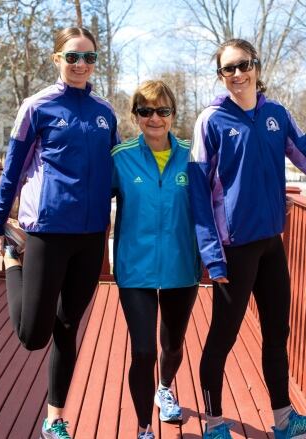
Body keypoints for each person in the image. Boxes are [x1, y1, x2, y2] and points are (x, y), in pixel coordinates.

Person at [187, 39, 306, 439]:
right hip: (233, 250)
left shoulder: (277, 114)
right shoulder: (211, 120)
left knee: (277, 334)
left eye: (244, 65)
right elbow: (198, 195)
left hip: (272, 244)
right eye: (228, 69)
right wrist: (212, 256)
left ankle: (285, 421)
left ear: (256, 66)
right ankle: (215, 425)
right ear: (220, 75)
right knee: (223, 336)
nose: (238, 74)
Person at [0, 26, 120, 439]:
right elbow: (13, 166)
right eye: (73, 57)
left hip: (92, 233)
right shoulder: (37, 107)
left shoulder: (106, 112)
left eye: (89, 58)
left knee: (68, 326)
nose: (81, 65)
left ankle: (56, 419)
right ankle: (14, 261)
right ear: (57, 59)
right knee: (33, 336)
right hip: (47, 229)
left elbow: (116, 170)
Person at [112, 80, 201, 439]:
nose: (154, 118)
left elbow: (222, 200)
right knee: (144, 350)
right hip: (135, 269)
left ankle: (164, 388)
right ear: (135, 117)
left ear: (172, 115)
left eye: (162, 111)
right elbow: (84, 197)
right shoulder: (120, 158)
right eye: (146, 111)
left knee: (173, 345)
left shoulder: (192, 156)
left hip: (182, 267)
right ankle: (144, 428)